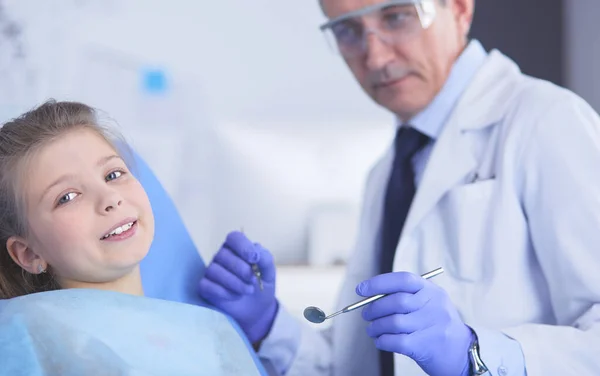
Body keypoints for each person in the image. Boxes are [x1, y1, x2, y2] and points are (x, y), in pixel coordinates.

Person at [198, 0, 600, 375]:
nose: (375, 57)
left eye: (396, 17)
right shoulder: (389, 169)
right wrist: (266, 324)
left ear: (459, 9)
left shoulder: (545, 121)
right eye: (348, 31)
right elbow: (355, 362)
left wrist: (473, 353)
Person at [0, 100, 264, 375]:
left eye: (113, 174)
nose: (110, 198)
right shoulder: (27, 335)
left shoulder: (212, 333)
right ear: (28, 254)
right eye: (67, 197)